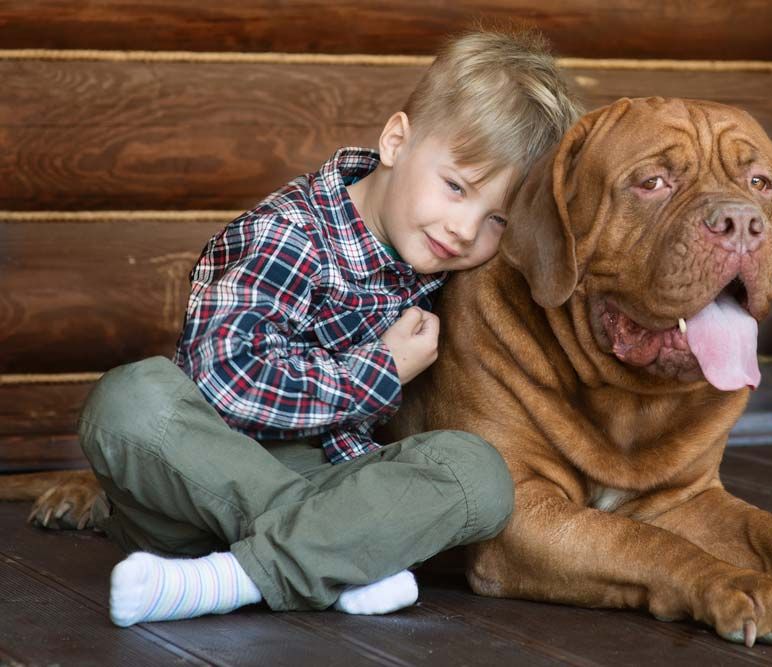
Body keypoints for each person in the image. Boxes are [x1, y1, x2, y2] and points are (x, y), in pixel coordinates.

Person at [76, 27, 582, 627]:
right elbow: (228, 383)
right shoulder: (288, 235)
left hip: (335, 483)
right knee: (127, 400)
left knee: (480, 474)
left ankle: (233, 578)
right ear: (397, 140)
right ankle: (329, 555)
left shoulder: (436, 264)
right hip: (198, 486)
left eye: (496, 218)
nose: (466, 230)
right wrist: (381, 371)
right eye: (456, 187)